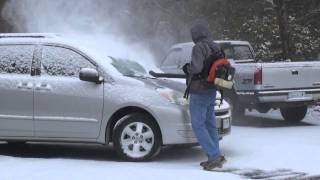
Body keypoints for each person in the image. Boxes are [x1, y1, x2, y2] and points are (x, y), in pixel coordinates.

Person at [183, 22, 226, 170]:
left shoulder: (198, 47)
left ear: (195, 35)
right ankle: (215, 155)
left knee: (198, 125)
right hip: (212, 88)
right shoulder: (216, 46)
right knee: (210, 124)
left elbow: (196, 68)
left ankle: (214, 156)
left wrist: (187, 68)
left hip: (199, 90)